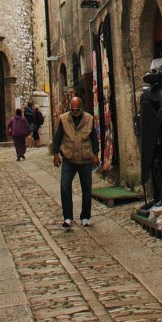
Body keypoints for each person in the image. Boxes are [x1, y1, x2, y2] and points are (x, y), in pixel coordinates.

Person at [53, 96, 99, 228]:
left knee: (87, 190)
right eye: (73, 109)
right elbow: (58, 137)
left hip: (85, 159)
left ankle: (85, 216)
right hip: (69, 158)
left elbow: (94, 138)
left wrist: (95, 154)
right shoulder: (63, 119)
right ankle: (68, 217)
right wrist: (56, 154)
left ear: (81, 107)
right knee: (64, 186)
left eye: (77, 109)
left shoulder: (89, 119)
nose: (75, 111)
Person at [138, 63, 162, 209]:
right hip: (147, 135)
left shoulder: (160, 91)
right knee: (151, 164)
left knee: (159, 165)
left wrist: (156, 118)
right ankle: (156, 196)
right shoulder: (147, 92)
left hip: (157, 135)